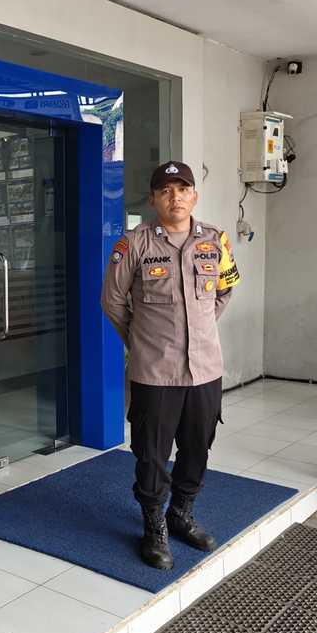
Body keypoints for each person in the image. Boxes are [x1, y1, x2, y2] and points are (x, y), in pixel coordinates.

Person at [101, 161, 241, 570]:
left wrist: (199, 331)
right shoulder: (134, 244)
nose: (174, 197)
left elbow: (225, 290)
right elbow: (112, 301)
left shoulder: (215, 240)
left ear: (194, 195)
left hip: (205, 370)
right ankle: (154, 527)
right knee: (152, 454)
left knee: (198, 447)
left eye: (182, 189)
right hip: (154, 373)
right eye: (165, 190)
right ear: (153, 199)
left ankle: (181, 514)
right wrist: (142, 341)